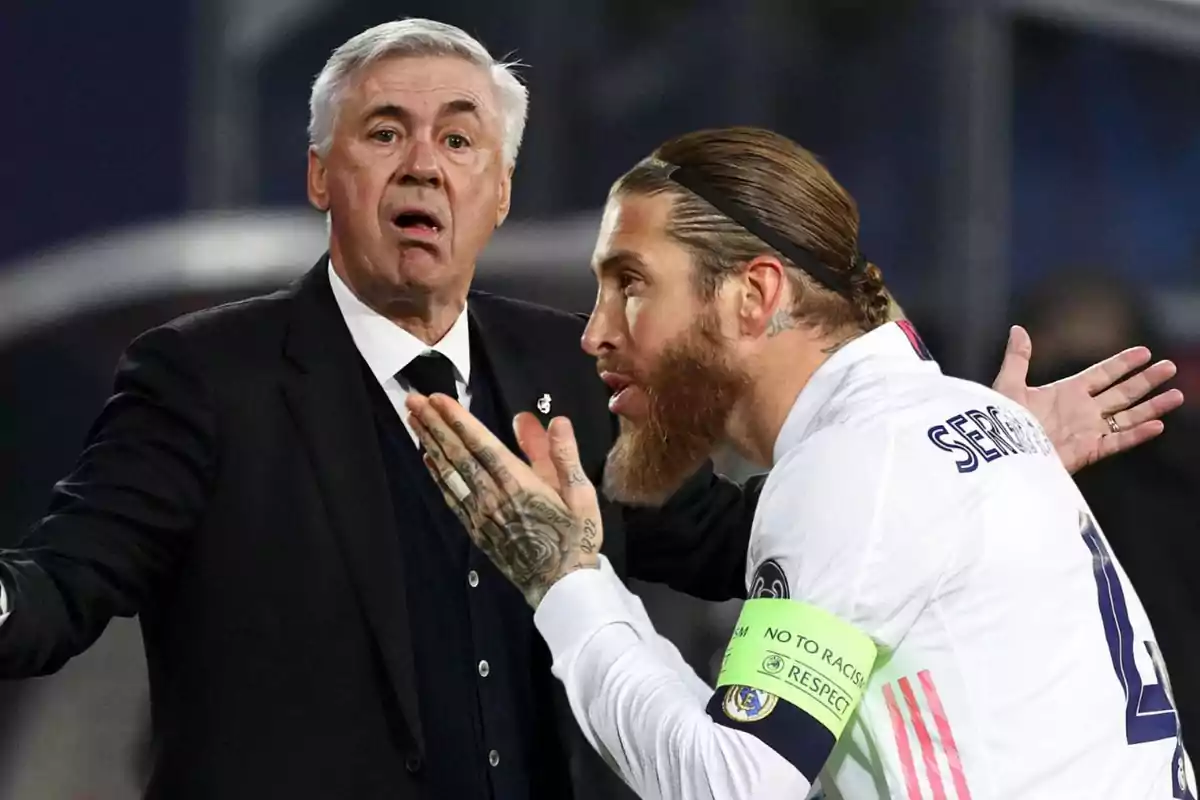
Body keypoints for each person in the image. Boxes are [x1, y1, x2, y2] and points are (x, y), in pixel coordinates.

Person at [0, 19, 1177, 800]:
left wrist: (965, 474)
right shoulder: (205, 377)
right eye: (383, 132)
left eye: (458, 138)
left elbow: (743, 558)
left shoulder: (567, 373)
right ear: (321, 175)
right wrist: (978, 463)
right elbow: (61, 587)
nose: (423, 165)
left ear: (499, 188)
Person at [406, 125, 1194, 799]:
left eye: (631, 284)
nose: (597, 333)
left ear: (753, 296)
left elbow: (731, 785)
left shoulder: (856, 466)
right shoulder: (954, 426)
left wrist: (561, 581)